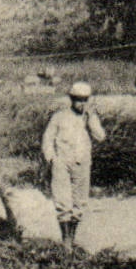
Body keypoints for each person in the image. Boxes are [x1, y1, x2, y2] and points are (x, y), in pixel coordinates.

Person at [40, 82, 106, 247]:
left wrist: (91, 119)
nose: (81, 104)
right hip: (62, 162)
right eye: (78, 100)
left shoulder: (90, 117)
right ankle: (66, 241)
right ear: (71, 99)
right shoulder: (60, 117)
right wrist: (52, 159)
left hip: (82, 163)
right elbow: (47, 139)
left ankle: (72, 238)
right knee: (62, 202)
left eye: (85, 100)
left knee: (80, 203)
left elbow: (100, 136)